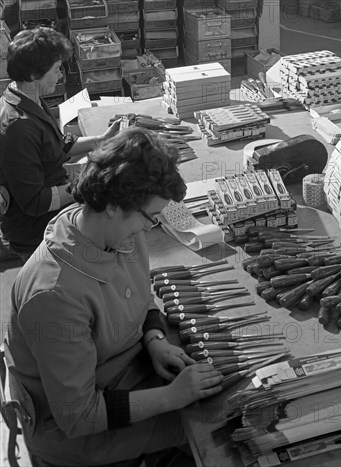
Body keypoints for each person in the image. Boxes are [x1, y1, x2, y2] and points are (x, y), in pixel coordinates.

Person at [4, 127, 224, 466]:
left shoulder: (117, 233)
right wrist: (171, 396)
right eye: (151, 217)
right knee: (216, 425)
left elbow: (140, 297)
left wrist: (154, 340)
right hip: (76, 432)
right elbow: (78, 416)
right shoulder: (54, 295)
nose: (149, 229)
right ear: (113, 206)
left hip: (122, 373)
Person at [0, 27, 120, 262]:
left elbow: (58, 146)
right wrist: (89, 183)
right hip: (38, 236)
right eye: (56, 70)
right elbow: (36, 201)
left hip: (52, 221)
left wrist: (101, 140)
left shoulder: (30, 98)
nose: (61, 75)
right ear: (35, 75)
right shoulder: (17, 128)